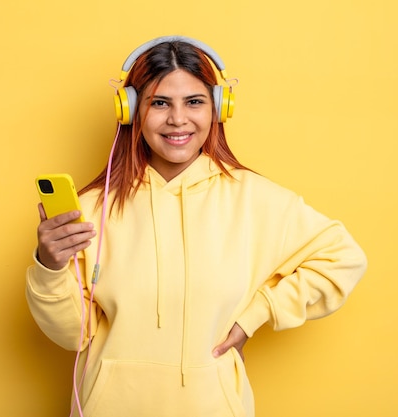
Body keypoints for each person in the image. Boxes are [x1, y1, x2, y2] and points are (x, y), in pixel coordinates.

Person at [26, 36, 367, 417]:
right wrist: (49, 267)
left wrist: (254, 316)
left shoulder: (256, 200)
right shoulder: (91, 209)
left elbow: (343, 258)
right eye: (159, 103)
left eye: (194, 102)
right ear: (132, 110)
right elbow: (73, 334)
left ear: (219, 108)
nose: (177, 119)